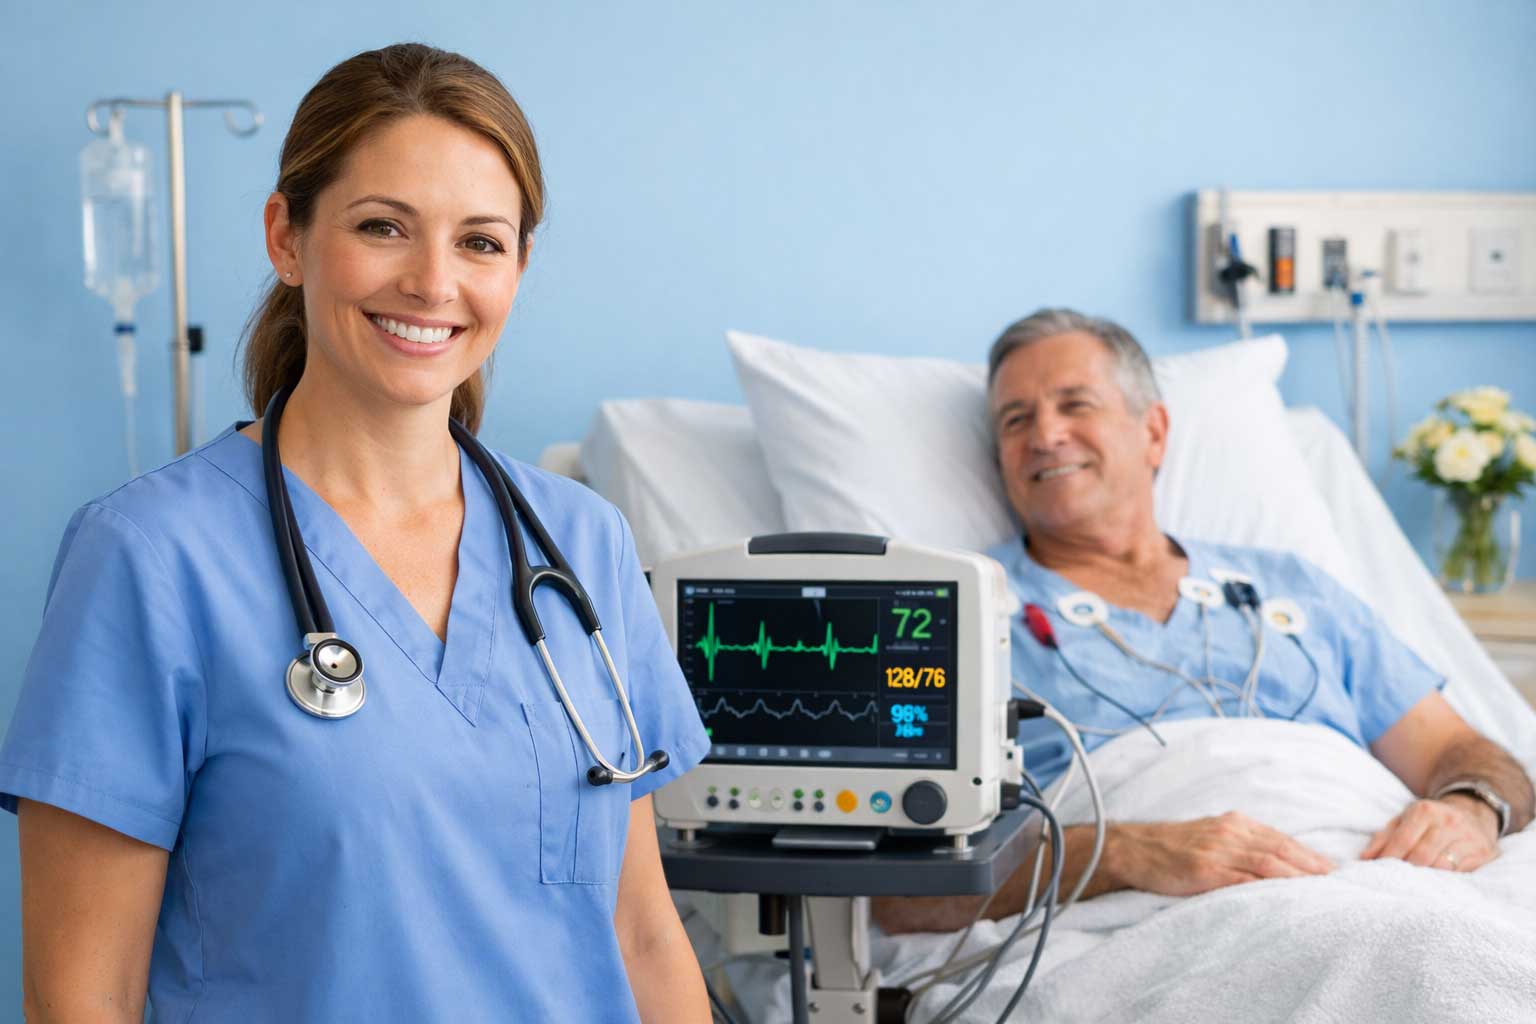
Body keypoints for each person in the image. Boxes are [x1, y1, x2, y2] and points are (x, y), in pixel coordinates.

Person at [3, 44, 711, 1022]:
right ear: (286, 238)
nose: (432, 282)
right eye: (383, 227)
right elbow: (84, 996)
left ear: (518, 266)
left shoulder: (582, 544)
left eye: (480, 241)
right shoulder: (150, 558)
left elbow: (641, 935)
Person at [875, 307, 1534, 934]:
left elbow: (1464, 755)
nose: (1045, 436)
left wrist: (1470, 809)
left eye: (1076, 404)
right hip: (1149, 922)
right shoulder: (945, 613)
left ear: (1154, 433)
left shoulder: (1292, 586)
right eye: (1016, 420)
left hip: (1372, 877)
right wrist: (1122, 852)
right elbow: (904, 894)